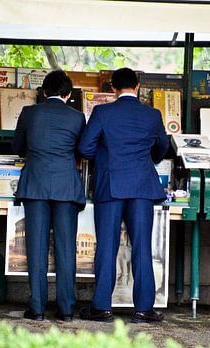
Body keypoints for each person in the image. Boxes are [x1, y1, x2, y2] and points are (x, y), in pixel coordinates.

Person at [78, 67, 169, 323]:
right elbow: (162, 146)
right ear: (138, 86)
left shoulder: (103, 112)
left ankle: (101, 307)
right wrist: (144, 160)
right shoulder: (152, 114)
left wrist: (108, 160)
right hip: (142, 187)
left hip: (111, 186)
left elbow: (85, 147)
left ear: (112, 88)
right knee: (142, 247)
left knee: (107, 246)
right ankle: (143, 309)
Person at [12, 70, 86, 322]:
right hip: (66, 187)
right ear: (68, 94)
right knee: (66, 249)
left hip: (35, 186)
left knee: (37, 247)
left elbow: (17, 147)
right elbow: (82, 150)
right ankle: (66, 310)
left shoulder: (29, 113)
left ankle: (37, 308)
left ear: (44, 92)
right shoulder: (77, 117)